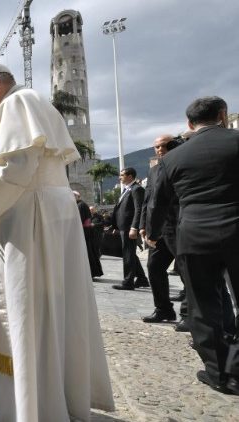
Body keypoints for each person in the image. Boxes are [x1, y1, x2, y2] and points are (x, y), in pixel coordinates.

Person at [0, 63, 114, 421]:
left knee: (26, 308)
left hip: (30, 219)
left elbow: (15, 167)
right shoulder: (39, 104)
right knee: (52, 310)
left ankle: (33, 407)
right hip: (50, 215)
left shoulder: (18, 104)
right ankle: (52, 397)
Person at [147, 96, 239, 395]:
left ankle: (221, 373)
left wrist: (153, 232)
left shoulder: (172, 158)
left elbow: (158, 202)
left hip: (195, 235)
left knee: (202, 305)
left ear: (190, 124)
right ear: (223, 115)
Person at [139, 135, 180, 323]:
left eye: (163, 145)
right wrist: (143, 226)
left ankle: (189, 313)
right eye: (156, 147)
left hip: (179, 227)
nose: (159, 149)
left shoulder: (181, 165)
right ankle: (163, 309)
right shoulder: (154, 170)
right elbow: (147, 200)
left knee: (187, 272)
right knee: (154, 267)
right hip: (157, 230)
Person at [111, 167, 149, 290]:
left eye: (122, 175)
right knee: (130, 253)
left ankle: (128, 282)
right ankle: (142, 279)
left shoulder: (136, 189)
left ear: (130, 176)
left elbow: (139, 209)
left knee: (128, 254)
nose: (120, 177)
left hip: (129, 227)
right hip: (123, 227)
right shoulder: (127, 190)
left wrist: (134, 227)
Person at [74, 191, 103, 278]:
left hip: (84, 232)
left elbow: (79, 219)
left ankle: (90, 273)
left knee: (87, 253)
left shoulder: (81, 205)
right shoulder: (80, 204)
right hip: (85, 231)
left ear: (77, 196)